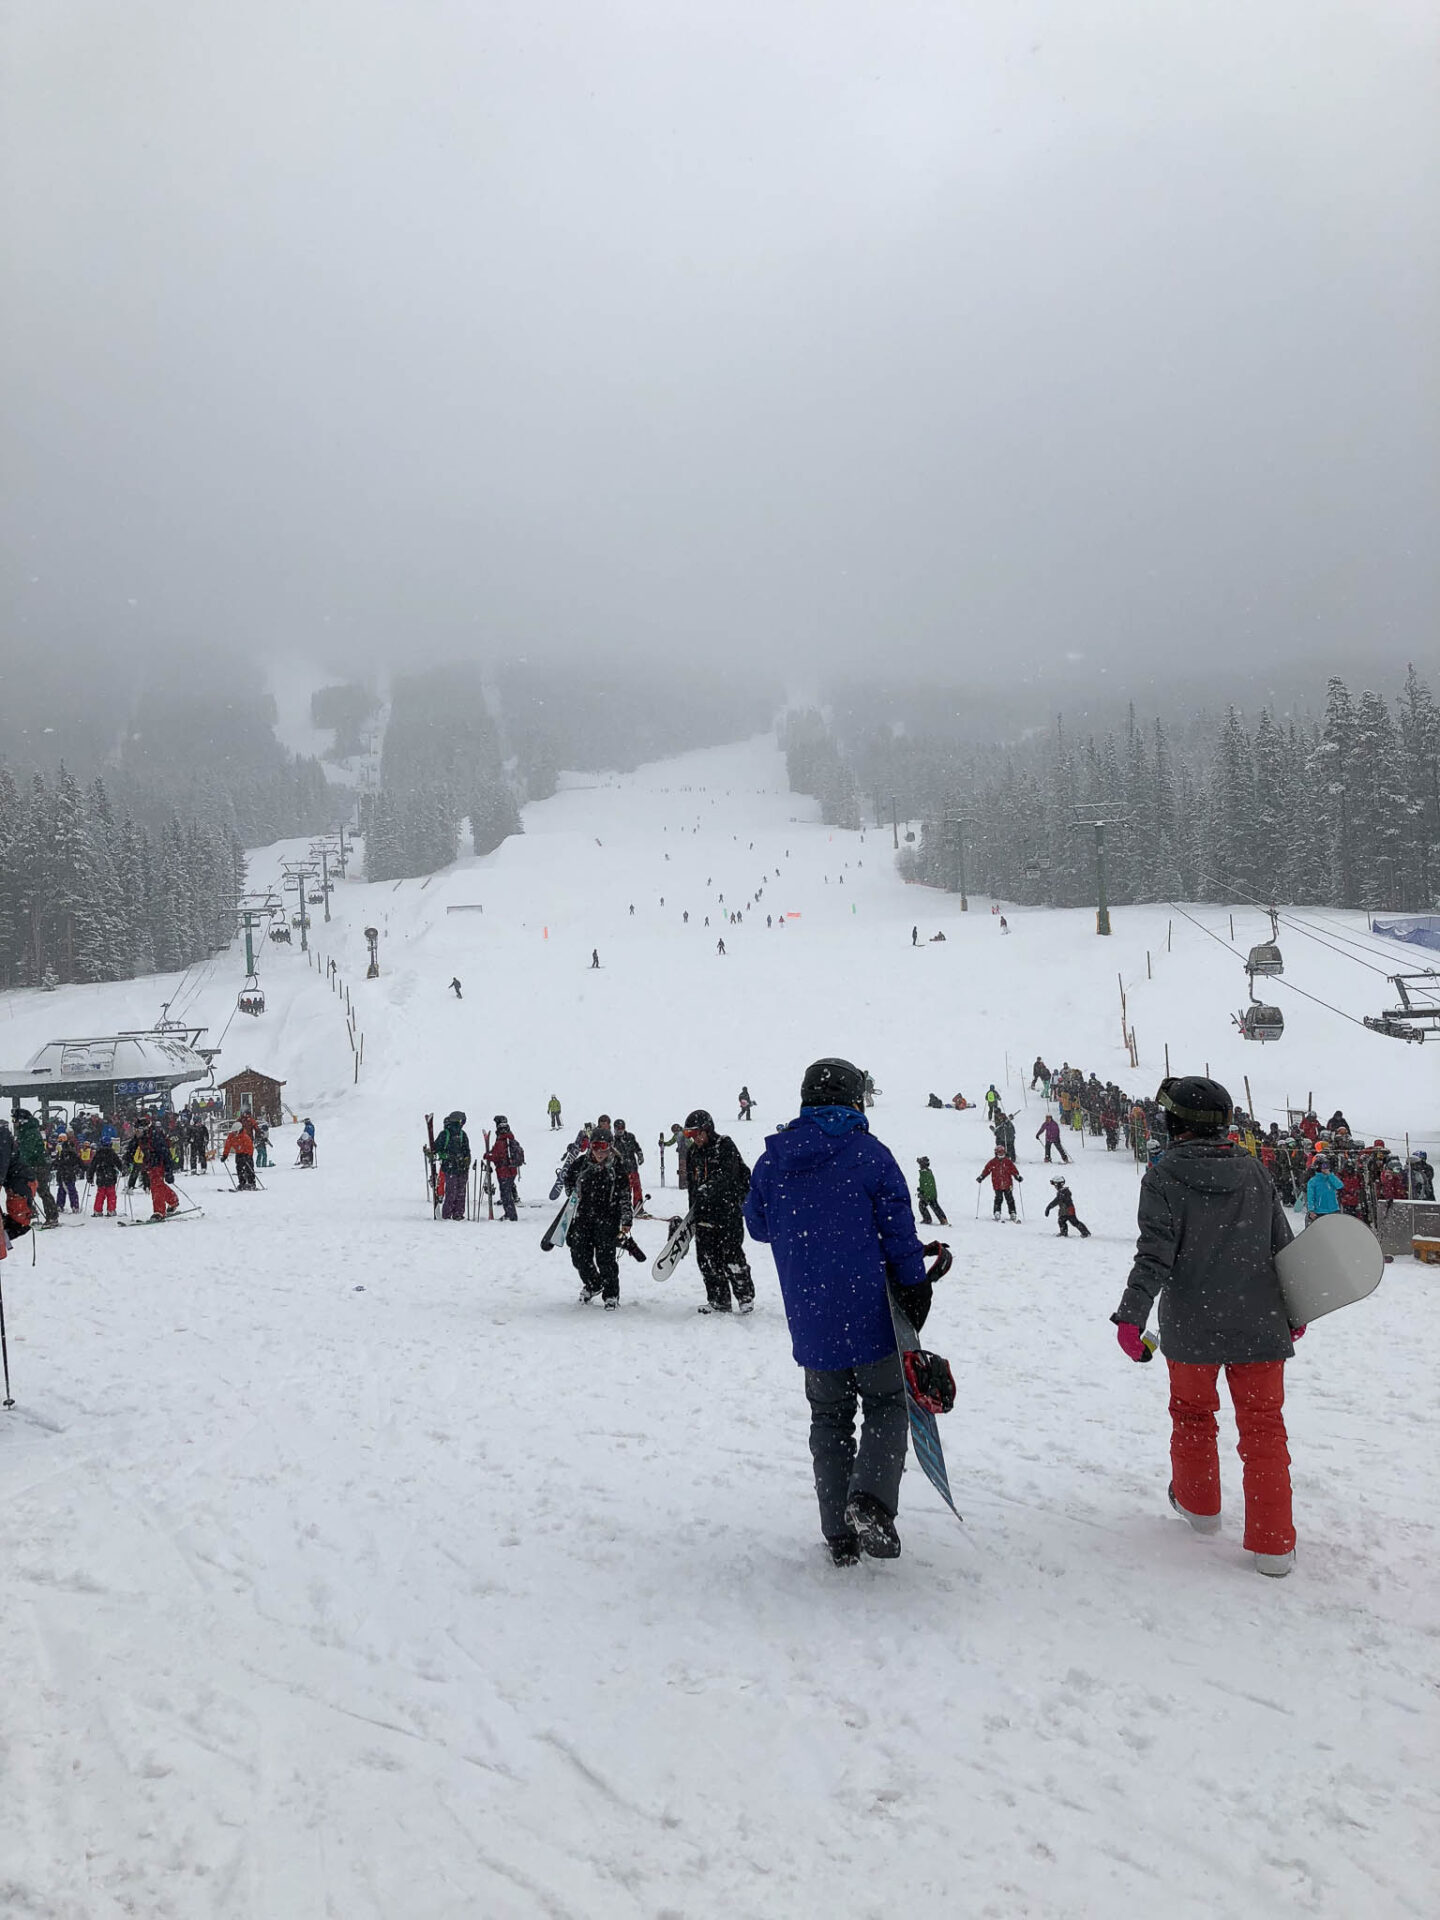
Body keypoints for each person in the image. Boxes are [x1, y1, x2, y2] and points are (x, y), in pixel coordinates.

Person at [1112, 1074, 1300, 1577]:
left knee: (1192, 1416)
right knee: (1264, 1429)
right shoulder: (1255, 1172)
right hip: (1260, 1324)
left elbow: (1154, 1256)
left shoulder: (1163, 1177)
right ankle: (1274, 1544)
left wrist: (1132, 1316)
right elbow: (1282, 1245)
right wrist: (1294, 1310)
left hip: (1192, 1327)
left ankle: (1200, 1509)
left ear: (1174, 1124)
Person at [745, 1057, 930, 1564]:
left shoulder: (774, 1159)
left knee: (829, 1417)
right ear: (854, 1099)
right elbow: (899, 1234)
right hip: (870, 1313)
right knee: (888, 1404)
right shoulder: (870, 1154)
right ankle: (869, 1499)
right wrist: (915, 1286)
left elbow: (758, 1225)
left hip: (811, 1317)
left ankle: (838, 1532)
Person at [682, 1109, 755, 1313]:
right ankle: (718, 1300)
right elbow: (692, 1186)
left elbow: (728, 1175)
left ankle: (745, 1297)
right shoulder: (693, 1153)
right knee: (707, 1260)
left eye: (696, 1133)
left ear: (707, 1129)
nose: (694, 1139)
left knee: (732, 1256)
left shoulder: (724, 1145)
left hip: (727, 1212)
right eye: (689, 1135)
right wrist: (693, 1212)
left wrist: (709, 1189)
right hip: (704, 1215)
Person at [564, 1126, 632, 1308]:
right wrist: (572, 1194)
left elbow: (625, 1195)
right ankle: (594, 1283)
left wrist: (626, 1220)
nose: (599, 1152)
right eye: (595, 1147)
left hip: (608, 1220)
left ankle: (611, 1294)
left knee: (606, 1259)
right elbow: (568, 1182)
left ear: (610, 1147)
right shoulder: (580, 1165)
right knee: (579, 1255)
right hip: (583, 1219)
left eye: (603, 1147)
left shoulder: (617, 1168)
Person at [13, 1110, 59, 1225]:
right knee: (25, 1189)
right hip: (32, 1165)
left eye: (15, 1120)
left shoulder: (29, 1132)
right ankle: (31, 1211)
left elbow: (26, 1151)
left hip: (38, 1165)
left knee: (42, 1190)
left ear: (22, 1120)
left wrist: (19, 1162)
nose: (14, 1123)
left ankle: (52, 1216)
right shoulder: (24, 1131)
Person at [432, 1111, 471, 1219]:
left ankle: (447, 1214)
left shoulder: (445, 1134)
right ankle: (457, 1214)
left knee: (452, 1192)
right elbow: (467, 1151)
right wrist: (466, 1161)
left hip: (450, 1168)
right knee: (460, 1193)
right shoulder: (461, 1134)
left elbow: (435, 1148)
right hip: (461, 1168)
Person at [485, 1118, 524, 1219]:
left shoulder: (501, 1142)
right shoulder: (511, 1139)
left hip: (504, 1171)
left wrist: (487, 1156)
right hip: (512, 1170)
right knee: (508, 1193)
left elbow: (497, 1157)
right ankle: (511, 1214)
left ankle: (510, 1215)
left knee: (505, 1195)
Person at [144, 1124, 181, 1220]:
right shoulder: (142, 1137)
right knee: (158, 1185)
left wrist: (169, 1170)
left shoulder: (155, 1137)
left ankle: (159, 1212)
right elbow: (133, 1147)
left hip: (158, 1163)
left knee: (157, 1187)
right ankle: (173, 1200)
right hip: (150, 1164)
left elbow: (166, 1153)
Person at [977, 1149, 1022, 1219]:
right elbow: (987, 1170)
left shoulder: (1008, 1162)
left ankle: (1012, 1212)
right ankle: (997, 1211)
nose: (1001, 1155)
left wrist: (1017, 1176)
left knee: (1010, 1198)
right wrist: (981, 1177)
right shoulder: (992, 1162)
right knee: (998, 1198)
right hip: (997, 1184)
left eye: (1002, 1153)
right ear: (996, 1153)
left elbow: (1014, 1170)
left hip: (1008, 1184)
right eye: (999, 1153)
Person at [612, 1119, 644, 1212]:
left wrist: (640, 1156)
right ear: (614, 1129)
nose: (620, 1131)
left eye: (622, 1128)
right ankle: (625, 1207)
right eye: (618, 1129)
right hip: (621, 1170)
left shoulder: (630, 1137)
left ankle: (638, 1206)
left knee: (637, 1187)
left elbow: (637, 1148)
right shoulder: (613, 1141)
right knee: (625, 1189)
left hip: (632, 1167)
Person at [220, 1117, 258, 1191]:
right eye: (233, 1132)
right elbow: (227, 1145)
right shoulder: (231, 1136)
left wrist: (248, 1155)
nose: (234, 1133)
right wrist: (225, 1155)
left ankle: (251, 1183)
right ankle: (242, 1183)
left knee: (249, 1168)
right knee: (239, 1169)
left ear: (239, 1130)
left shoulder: (245, 1137)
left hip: (247, 1154)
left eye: (236, 1132)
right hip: (239, 1154)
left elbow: (250, 1148)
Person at [1305, 1155, 1343, 1223]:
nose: (1326, 1168)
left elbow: (1339, 1185)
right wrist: (1311, 1210)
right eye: (1324, 1166)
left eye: (1327, 1166)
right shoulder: (1313, 1181)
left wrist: (1330, 1175)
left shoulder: (1330, 1178)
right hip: (1320, 1211)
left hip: (1333, 1209)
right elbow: (1310, 1197)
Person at [91, 1137, 122, 1215]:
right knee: (111, 1194)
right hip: (110, 1176)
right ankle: (111, 1210)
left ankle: (97, 1210)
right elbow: (118, 1163)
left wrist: (90, 1176)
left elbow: (93, 1166)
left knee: (100, 1194)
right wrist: (123, 1169)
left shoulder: (98, 1154)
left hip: (101, 1176)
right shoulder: (112, 1153)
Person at [54, 1133, 83, 1213]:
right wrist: (82, 1167)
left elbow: (57, 1161)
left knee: (62, 1190)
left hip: (62, 1172)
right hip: (69, 1172)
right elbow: (77, 1159)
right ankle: (74, 1206)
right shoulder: (70, 1149)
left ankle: (60, 1205)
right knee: (71, 1190)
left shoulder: (59, 1150)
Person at [916, 1156, 948, 1226]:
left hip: (929, 1194)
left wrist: (924, 1195)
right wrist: (920, 1190)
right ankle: (942, 1219)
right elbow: (924, 1185)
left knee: (925, 1205)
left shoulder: (925, 1174)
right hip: (930, 1194)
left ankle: (929, 1219)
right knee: (934, 1206)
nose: (919, 1166)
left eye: (920, 1164)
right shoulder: (926, 1172)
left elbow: (928, 1186)